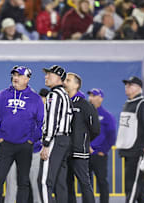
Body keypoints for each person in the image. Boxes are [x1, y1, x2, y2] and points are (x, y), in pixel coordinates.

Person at [0, 66, 43, 203]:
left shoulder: (35, 98)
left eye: (19, 75)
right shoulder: (2, 95)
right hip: (6, 144)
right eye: (14, 75)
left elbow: (42, 122)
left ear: (27, 79)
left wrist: (31, 139)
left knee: (23, 182)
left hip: (25, 146)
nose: (15, 78)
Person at [38, 65, 73, 203]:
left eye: (49, 74)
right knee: (60, 183)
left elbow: (52, 120)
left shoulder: (54, 94)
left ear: (59, 78)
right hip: (65, 140)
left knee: (44, 181)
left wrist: (46, 143)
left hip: (55, 140)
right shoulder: (65, 95)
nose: (46, 77)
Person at [115, 76, 144, 203]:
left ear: (138, 88)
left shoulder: (142, 104)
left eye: (130, 85)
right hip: (127, 149)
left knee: (133, 185)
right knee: (137, 186)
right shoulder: (127, 104)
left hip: (137, 151)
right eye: (126, 85)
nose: (127, 87)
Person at [64, 73, 100, 203]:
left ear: (76, 85)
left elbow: (95, 129)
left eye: (68, 80)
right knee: (67, 185)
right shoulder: (63, 102)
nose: (64, 82)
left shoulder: (85, 105)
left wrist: (84, 140)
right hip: (64, 151)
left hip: (79, 151)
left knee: (84, 183)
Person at [87, 88, 117, 203]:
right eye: (90, 95)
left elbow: (111, 136)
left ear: (100, 98)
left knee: (102, 181)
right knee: (86, 183)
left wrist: (102, 151)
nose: (91, 98)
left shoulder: (107, 116)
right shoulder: (87, 114)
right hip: (86, 153)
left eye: (94, 96)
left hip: (98, 155)